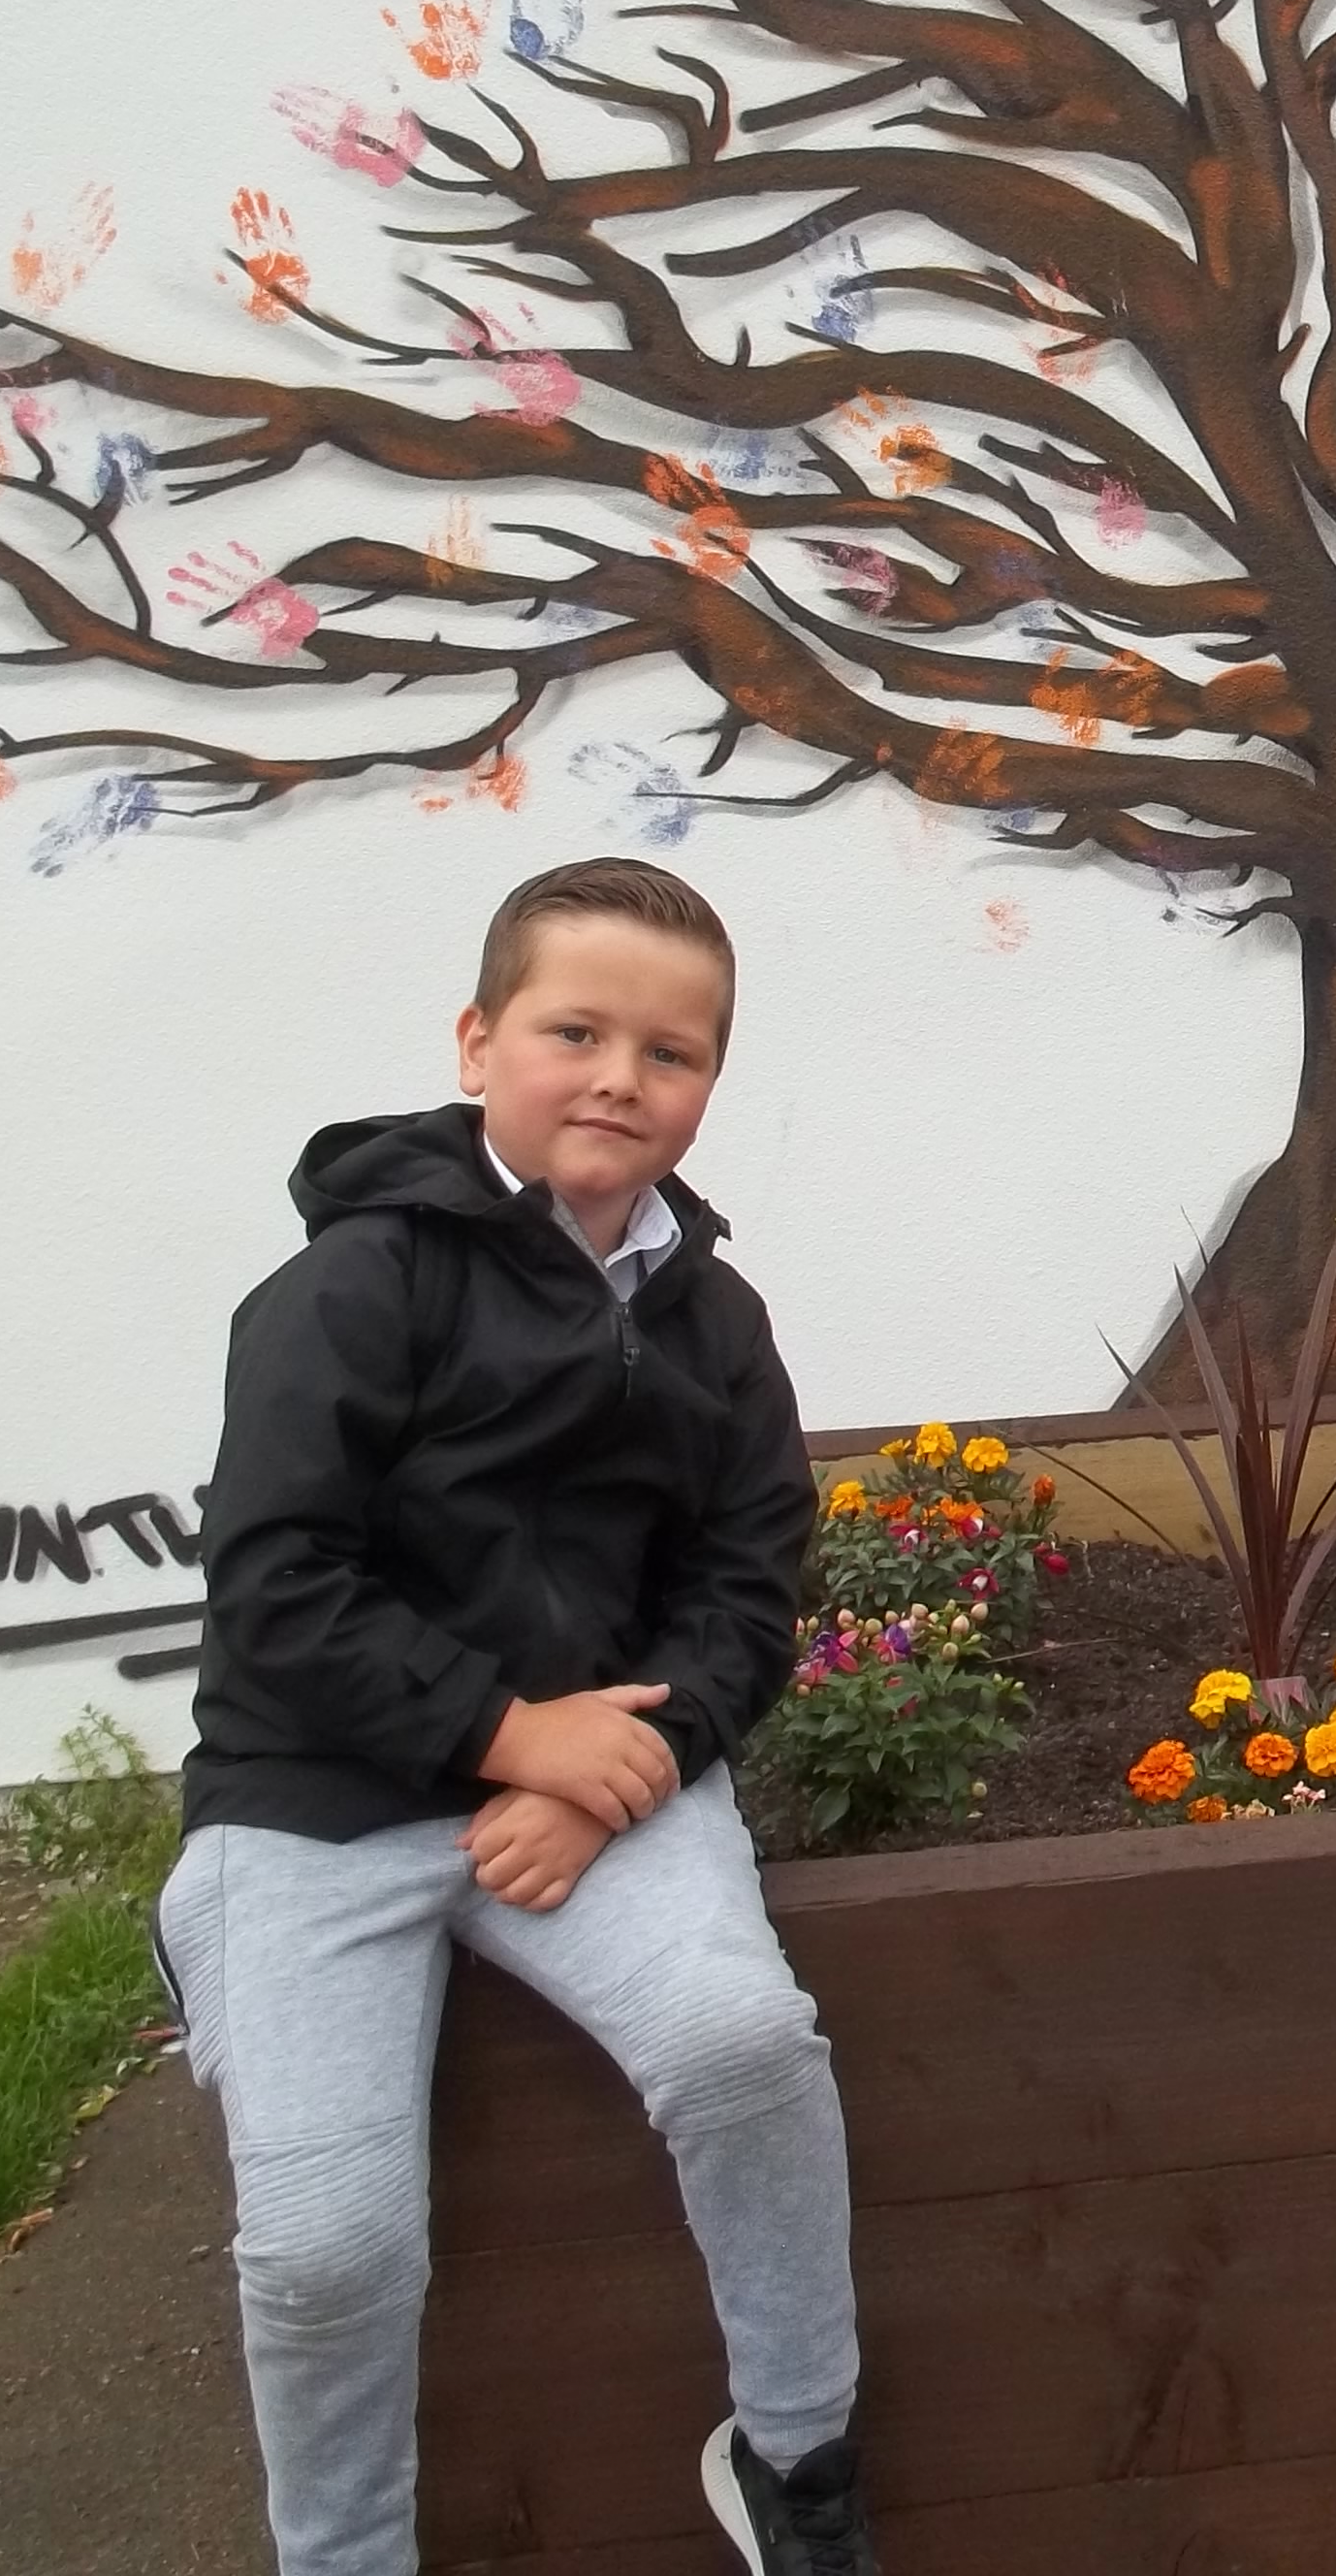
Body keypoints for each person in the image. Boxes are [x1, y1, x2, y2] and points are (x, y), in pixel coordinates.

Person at [153, 858, 875, 2574]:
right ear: (479, 1041)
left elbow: (744, 1584)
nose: (622, 1075)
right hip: (316, 1798)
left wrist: (606, 1777)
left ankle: (803, 2455)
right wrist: (505, 1733)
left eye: (672, 1051)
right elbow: (275, 1584)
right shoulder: (350, 1289)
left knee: (741, 2046)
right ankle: (343, 2553)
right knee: (328, 2246)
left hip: (602, 1778)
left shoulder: (714, 1319)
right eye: (575, 1029)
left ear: (709, 1086)